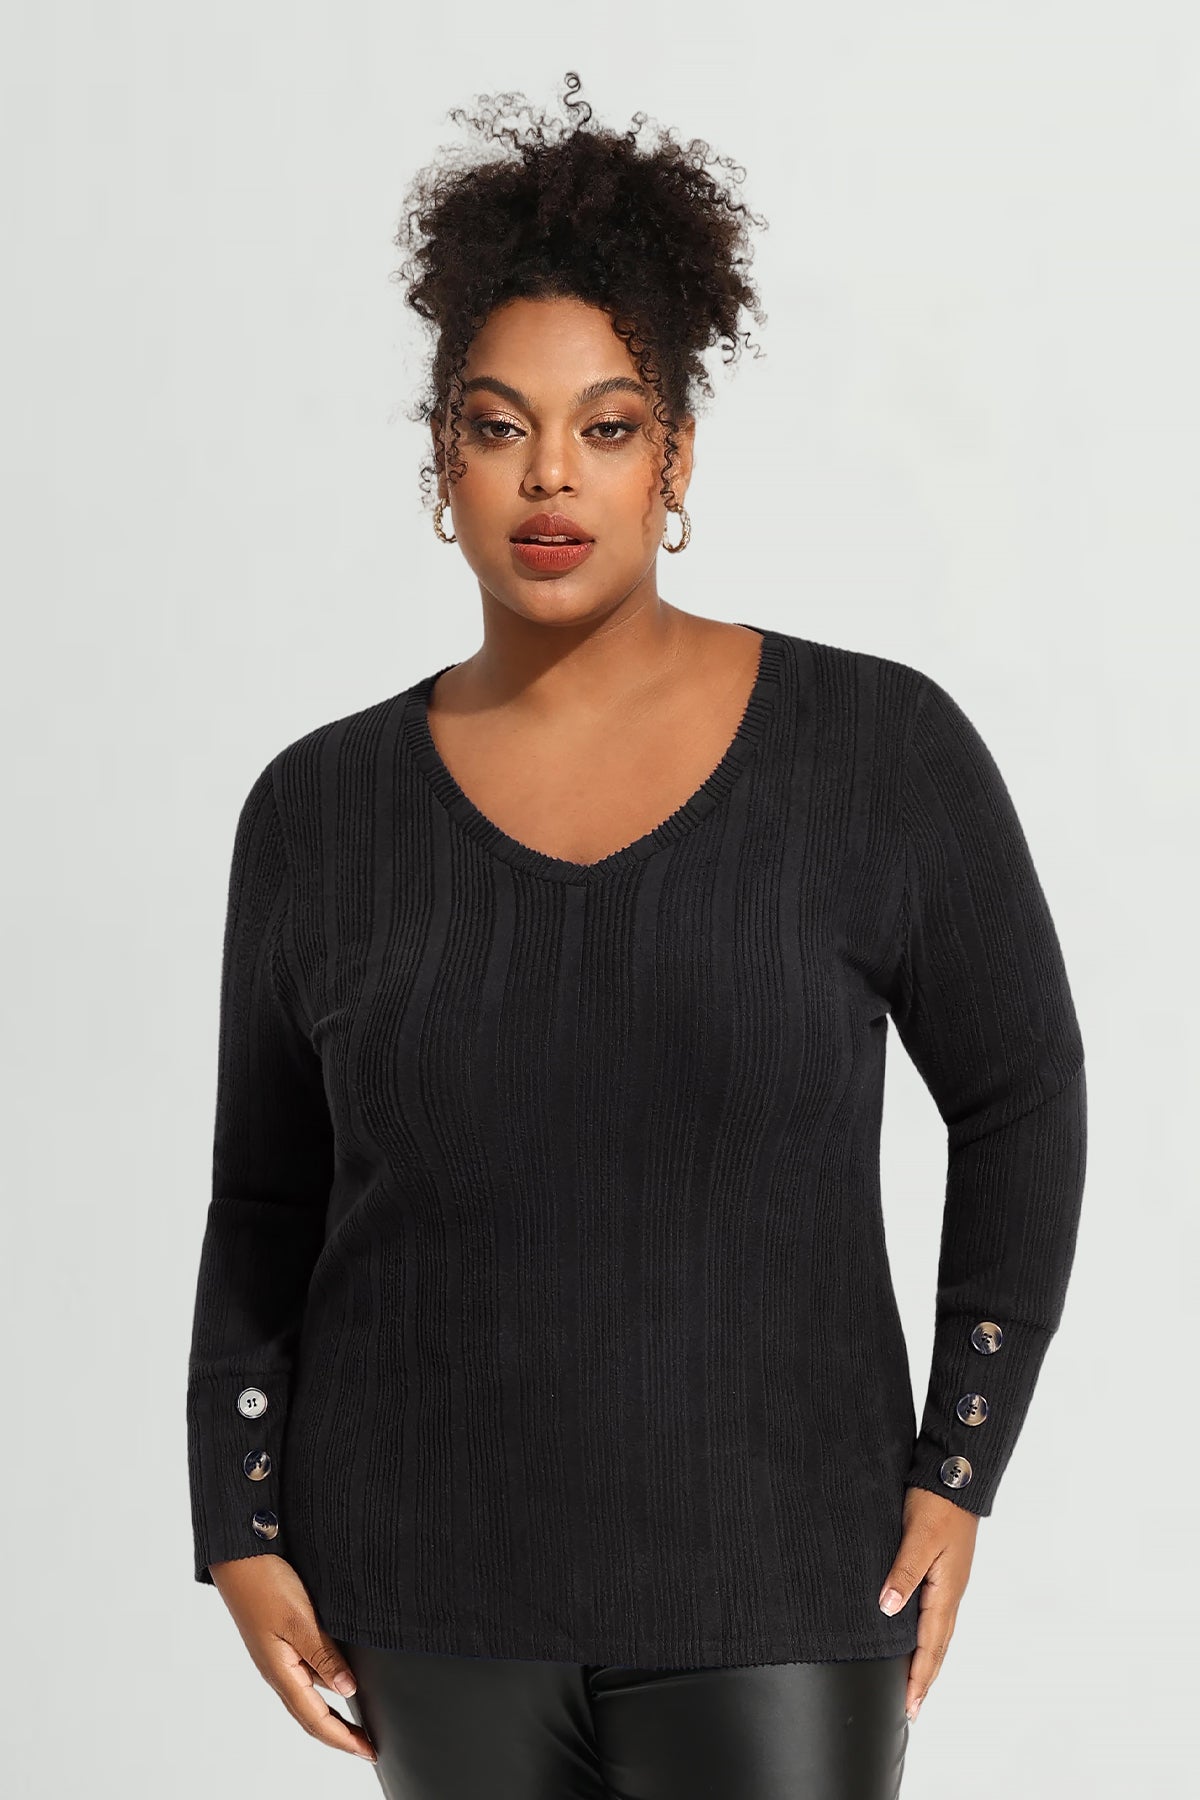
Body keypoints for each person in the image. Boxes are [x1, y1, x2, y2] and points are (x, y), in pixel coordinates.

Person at [185, 71, 1088, 1800]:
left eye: (605, 427)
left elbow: (1024, 1095)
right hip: (426, 1596)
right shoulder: (318, 812)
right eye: (497, 424)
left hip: (785, 1579)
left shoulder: (876, 754)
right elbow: (266, 1199)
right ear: (440, 457)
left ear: (675, 458)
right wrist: (238, 1513)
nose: (550, 476)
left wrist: (958, 1465)